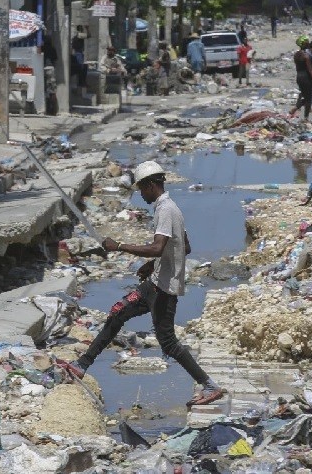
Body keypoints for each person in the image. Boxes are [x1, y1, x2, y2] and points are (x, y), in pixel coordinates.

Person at [56, 161, 226, 408]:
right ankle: (82, 364)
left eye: (142, 189)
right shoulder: (168, 208)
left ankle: (209, 385)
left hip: (164, 289)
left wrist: (120, 246)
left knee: (167, 341)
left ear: (150, 185)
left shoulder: (166, 210)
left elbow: (159, 246)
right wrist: (154, 264)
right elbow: (183, 246)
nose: (141, 195)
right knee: (118, 313)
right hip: (156, 281)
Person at [289, 36, 312, 120]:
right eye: (306, 42)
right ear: (303, 44)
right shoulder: (306, 56)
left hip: (299, 77)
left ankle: (296, 108)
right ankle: (305, 117)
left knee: (304, 95)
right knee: (308, 98)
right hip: (306, 77)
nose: (308, 43)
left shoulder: (296, 55)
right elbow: (310, 70)